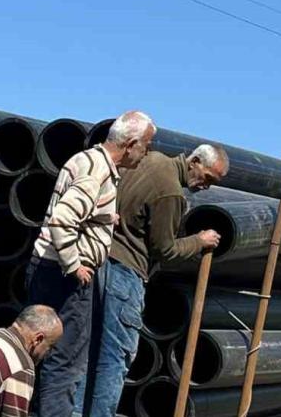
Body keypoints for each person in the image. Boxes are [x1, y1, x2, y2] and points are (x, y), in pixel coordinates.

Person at [80, 144, 230, 416]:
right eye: (207, 178)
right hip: (125, 277)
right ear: (194, 161)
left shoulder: (149, 160)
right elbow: (166, 251)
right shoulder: (170, 191)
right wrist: (199, 240)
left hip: (95, 262)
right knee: (114, 358)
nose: (206, 186)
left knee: (84, 352)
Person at [26, 110, 156, 417]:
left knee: (39, 352)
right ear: (131, 143)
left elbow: (73, 207)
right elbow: (63, 219)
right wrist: (74, 265)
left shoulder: (86, 160)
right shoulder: (98, 171)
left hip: (44, 267)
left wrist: (103, 217)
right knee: (66, 362)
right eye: (146, 145)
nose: (146, 152)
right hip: (65, 277)